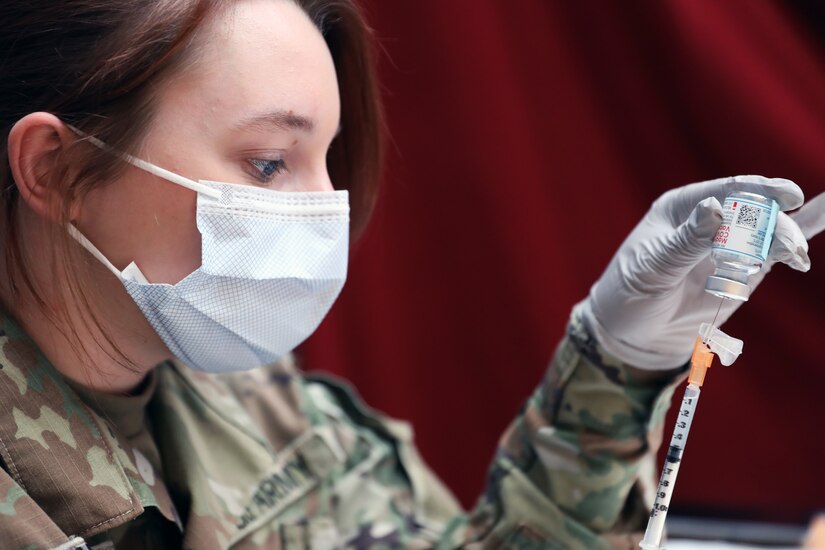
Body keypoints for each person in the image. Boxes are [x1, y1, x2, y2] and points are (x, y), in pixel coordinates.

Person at [0, 1, 823, 549]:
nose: (326, 211)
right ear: (58, 169)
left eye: (329, 160)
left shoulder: (257, 404)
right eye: (267, 163)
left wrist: (616, 358)